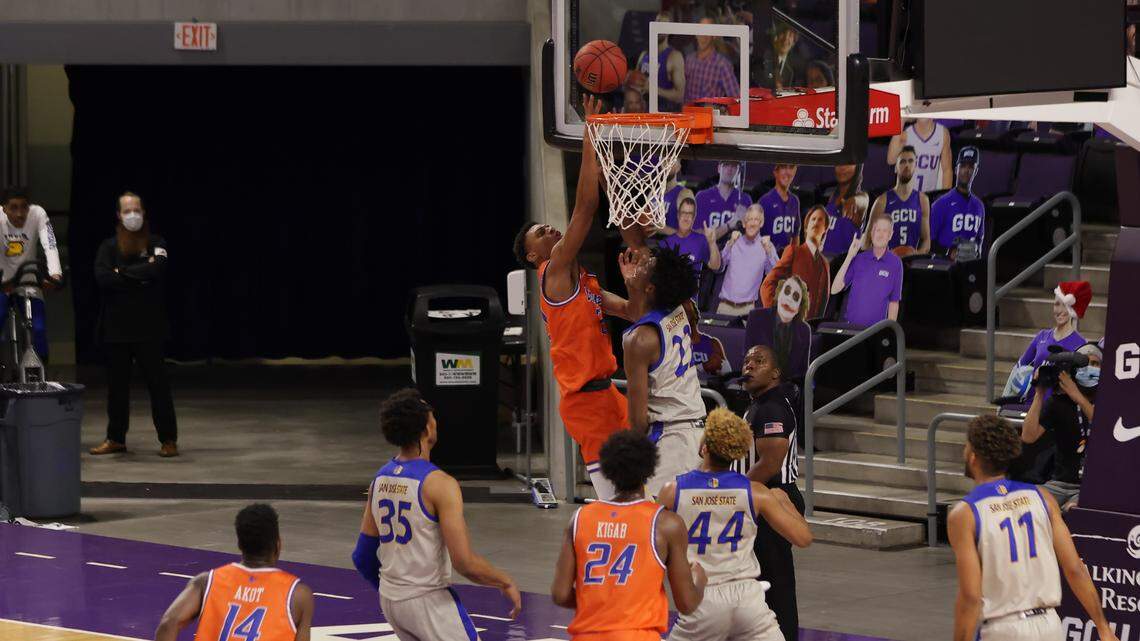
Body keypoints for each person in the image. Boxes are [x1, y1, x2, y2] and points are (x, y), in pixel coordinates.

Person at [512, 96, 641, 500]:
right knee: (618, 505)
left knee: (644, 493)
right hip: (585, 402)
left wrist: (632, 279)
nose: (551, 230)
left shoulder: (583, 284)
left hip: (609, 394)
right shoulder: (552, 274)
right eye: (542, 233)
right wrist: (591, 131)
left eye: (549, 226)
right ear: (535, 255)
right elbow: (585, 208)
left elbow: (634, 311)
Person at [353, 389, 521, 639]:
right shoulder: (439, 484)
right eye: (431, 416)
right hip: (428, 602)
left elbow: (363, 556)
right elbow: (464, 563)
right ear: (426, 429)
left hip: (391, 601)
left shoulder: (380, 478)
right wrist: (504, 581)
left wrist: (395, 591)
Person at [948, 415, 1119, 641]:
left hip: (1004, 628)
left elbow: (970, 596)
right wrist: (1103, 627)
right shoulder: (1043, 498)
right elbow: (1075, 569)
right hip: (1049, 625)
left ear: (973, 457)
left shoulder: (965, 513)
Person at [657, 408, 812, 641]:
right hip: (747, 599)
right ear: (738, 453)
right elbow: (803, 538)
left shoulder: (673, 490)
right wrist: (785, 502)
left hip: (701, 596)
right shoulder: (756, 492)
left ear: (704, 447)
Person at [551, 430, 707, 641]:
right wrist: (700, 581)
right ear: (650, 469)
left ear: (607, 470)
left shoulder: (579, 518)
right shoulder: (666, 524)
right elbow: (687, 604)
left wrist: (600, 604)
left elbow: (560, 594)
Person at [90, 192, 179, 458]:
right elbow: (103, 277)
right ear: (119, 215)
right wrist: (139, 276)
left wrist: (123, 274)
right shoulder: (108, 246)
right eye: (127, 210)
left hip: (149, 329)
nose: (132, 215)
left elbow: (157, 269)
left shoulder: (156, 242)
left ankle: (169, 439)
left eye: (136, 209)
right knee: (117, 389)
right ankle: (115, 438)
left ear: (144, 212)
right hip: (116, 329)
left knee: (158, 386)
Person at [155, 504, 315, 641]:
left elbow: (168, 624)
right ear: (278, 544)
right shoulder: (298, 595)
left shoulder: (206, 581)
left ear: (239, 543)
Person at [622, 246, 707, 498]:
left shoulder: (638, 341)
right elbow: (646, 314)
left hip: (671, 440)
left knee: (653, 524)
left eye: (647, 266)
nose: (642, 262)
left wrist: (630, 462)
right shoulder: (684, 308)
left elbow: (638, 421)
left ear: (650, 288)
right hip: (699, 431)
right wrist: (633, 286)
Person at [741, 345, 803, 641]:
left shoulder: (772, 407)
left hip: (774, 497)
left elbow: (770, 463)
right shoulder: (761, 403)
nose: (749, 366)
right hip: (763, 497)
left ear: (776, 373)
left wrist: (734, 494)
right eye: (747, 361)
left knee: (776, 584)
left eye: (759, 361)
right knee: (764, 580)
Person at [1020, 342, 1101, 511]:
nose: (1090, 369)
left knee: (1073, 510)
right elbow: (1028, 436)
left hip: (1093, 485)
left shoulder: (1108, 401)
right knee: (1026, 503)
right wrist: (1039, 394)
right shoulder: (1057, 402)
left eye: (1095, 364)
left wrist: (1076, 395)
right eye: (1085, 364)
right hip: (1059, 483)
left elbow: (1103, 428)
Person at [0, 187, 63, 362]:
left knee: (39, 329)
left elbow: (50, 244)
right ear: (4, 208)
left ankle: (41, 373)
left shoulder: (38, 214)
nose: (20, 214)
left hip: (28, 280)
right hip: (2, 281)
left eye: (24, 207)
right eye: (13, 208)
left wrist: (55, 274)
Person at [1002, 281, 1091, 400]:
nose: (1059, 310)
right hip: (1032, 404)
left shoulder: (1080, 343)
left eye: (1064, 305)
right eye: (1056, 304)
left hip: (1057, 409)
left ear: (1072, 309)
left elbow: (1082, 384)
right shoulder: (1042, 336)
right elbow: (1019, 367)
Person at [830, 214, 904, 327]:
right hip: (850, 328)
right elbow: (834, 289)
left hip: (875, 331)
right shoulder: (859, 259)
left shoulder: (895, 263)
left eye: (884, 231)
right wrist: (850, 256)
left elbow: (894, 302)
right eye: (877, 230)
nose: (880, 234)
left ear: (890, 235)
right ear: (871, 233)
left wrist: (890, 330)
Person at [760, 206, 830, 320]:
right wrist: (777, 316)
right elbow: (767, 285)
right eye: (813, 219)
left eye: (820, 219)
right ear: (806, 227)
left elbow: (822, 302)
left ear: (825, 229)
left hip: (809, 331)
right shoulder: (793, 251)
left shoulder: (824, 264)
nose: (816, 222)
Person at [745, 276, 813, 383]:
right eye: (786, 292)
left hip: (788, 391)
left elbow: (803, 373)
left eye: (795, 297)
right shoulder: (756, 317)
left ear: (799, 308)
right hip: (758, 386)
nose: (789, 299)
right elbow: (747, 359)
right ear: (778, 295)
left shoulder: (804, 330)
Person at [717, 204, 779, 316]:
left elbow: (776, 276)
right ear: (744, 223)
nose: (752, 223)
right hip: (724, 307)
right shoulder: (734, 241)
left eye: (756, 219)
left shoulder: (767, 246)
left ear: (761, 223)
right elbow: (719, 267)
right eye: (749, 219)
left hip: (748, 310)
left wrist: (769, 252)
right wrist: (729, 244)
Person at [870, 145, 931, 253]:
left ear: (915, 165)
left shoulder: (922, 200)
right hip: (887, 264)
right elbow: (868, 242)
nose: (907, 165)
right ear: (895, 167)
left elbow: (926, 241)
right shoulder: (882, 201)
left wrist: (915, 254)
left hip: (912, 264)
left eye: (911, 161)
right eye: (902, 161)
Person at [930, 147, 986, 258]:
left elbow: (979, 241)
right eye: (963, 166)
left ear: (976, 171)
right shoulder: (941, 204)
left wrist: (976, 253)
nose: (966, 170)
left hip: (969, 264)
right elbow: (928, 242)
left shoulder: (979, 206)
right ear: (956, 169)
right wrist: (949, 252)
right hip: (944, 266)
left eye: (971, 167)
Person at [660, 191, 722, 278]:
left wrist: (712, 243)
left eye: (690, 214)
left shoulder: (701, 241)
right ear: (678, 215)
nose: (686, 217)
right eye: (683, 213)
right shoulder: (665, 243)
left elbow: (715, 266)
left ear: (694, 217)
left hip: (691, 291)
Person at [635, 12, 687, 113]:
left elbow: (680, 95)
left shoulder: (674, 57)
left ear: (669, 31)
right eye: (657, 23)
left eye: (663, 25)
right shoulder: (644, 55)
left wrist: (653, 89)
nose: (659, 28)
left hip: (664, 116)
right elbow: (635, 84)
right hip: (643, 113)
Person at [684, 18, 740, 105]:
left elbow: (736, 100)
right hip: (689, 116)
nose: (703, 37)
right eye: (700, 31)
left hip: (710, 117)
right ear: (695, 34)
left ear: (714, 36)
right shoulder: (689, 60)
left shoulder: (722, 65)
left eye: (707, 32)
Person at [887, 118, 952, 193]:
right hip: (907, 195)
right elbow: (891, 160)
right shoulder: (906, 134)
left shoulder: (943, 133)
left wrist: (945, 196)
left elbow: (947, 170)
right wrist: (901, 121)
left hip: (929, 194)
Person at [696, 161, 752, 240]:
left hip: (735, 251)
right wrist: (729, 225)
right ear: (719, 168)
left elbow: (751, 237)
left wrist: (745, 222)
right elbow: (698, 236)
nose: (729, 169)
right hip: (709, 251)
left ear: (738, 170)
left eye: (734, 166)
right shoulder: (702, 197)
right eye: (726, 165)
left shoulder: (745, 199)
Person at [821, 164, 868, 258]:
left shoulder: (861, 197)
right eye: (839, 163)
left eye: (849, 163)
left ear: (858, 167)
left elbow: (863, 201)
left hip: (842, 264)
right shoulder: (833, 196)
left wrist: (855, 201)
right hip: (823, 262)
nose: (842, 167)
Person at [757, 165, 800, 255]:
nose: (788, 172)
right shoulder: (764, 202)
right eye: (784, 167)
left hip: (786, 262)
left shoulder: (794, 201)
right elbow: (755, 237)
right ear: (775, 172)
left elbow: (795, 235)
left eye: (791, 168)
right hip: (767, 260)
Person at [757, 21, 804, 90]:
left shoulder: (794, 69)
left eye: (790, 35)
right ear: (775, 37)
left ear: (794, 42)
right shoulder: (761, 59)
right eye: (783, 33)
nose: (785, 39)